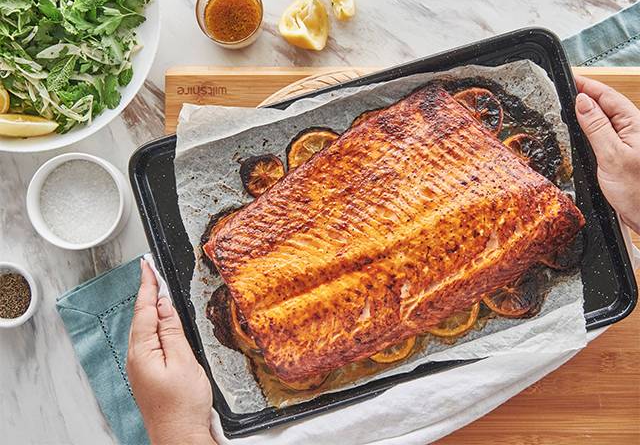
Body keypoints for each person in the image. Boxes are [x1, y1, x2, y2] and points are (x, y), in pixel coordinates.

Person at [126, 76, 640, 445]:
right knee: (258, 260)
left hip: (465, 165)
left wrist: (181, 433)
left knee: (514, 210)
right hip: (418, 159)